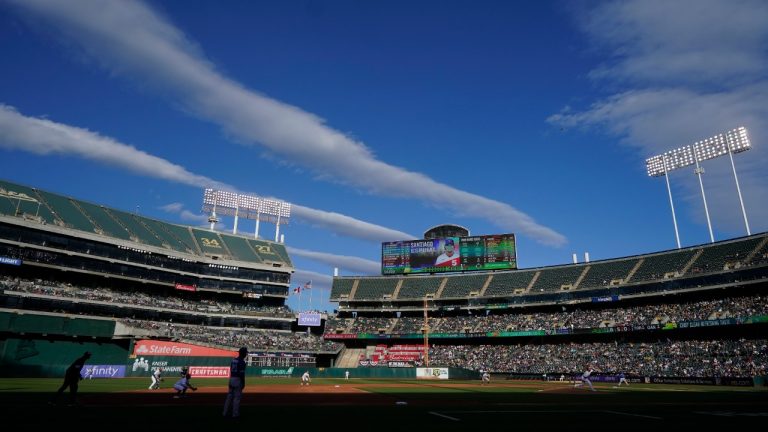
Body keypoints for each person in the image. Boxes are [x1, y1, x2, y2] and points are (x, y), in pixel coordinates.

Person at [223, 347, 248, 419]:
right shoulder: (242, 362)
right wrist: (243, 383)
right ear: (243, 353)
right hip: (237, 380)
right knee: (237, 398)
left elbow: (231, 369)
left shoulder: (233, 360)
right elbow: (241, 374)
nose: (246, 354)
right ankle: (235, 414)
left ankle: (224, 413)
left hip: (231, 378)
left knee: (229, 397)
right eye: (245, 352)